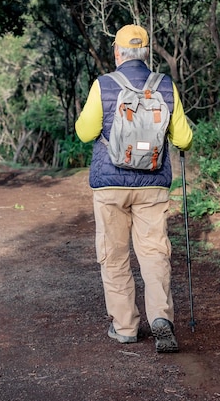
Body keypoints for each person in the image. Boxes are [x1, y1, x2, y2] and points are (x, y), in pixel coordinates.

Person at [75, 24, 193, 353]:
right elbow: (183, 139)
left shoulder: (104, 85)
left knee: (114, 256)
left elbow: (85, 133)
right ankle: (161, 319)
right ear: (146, 53)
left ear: (117, 53)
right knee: (154, 253)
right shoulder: (166, 85)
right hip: (153, 185)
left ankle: (125, 327)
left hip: (110, 185)